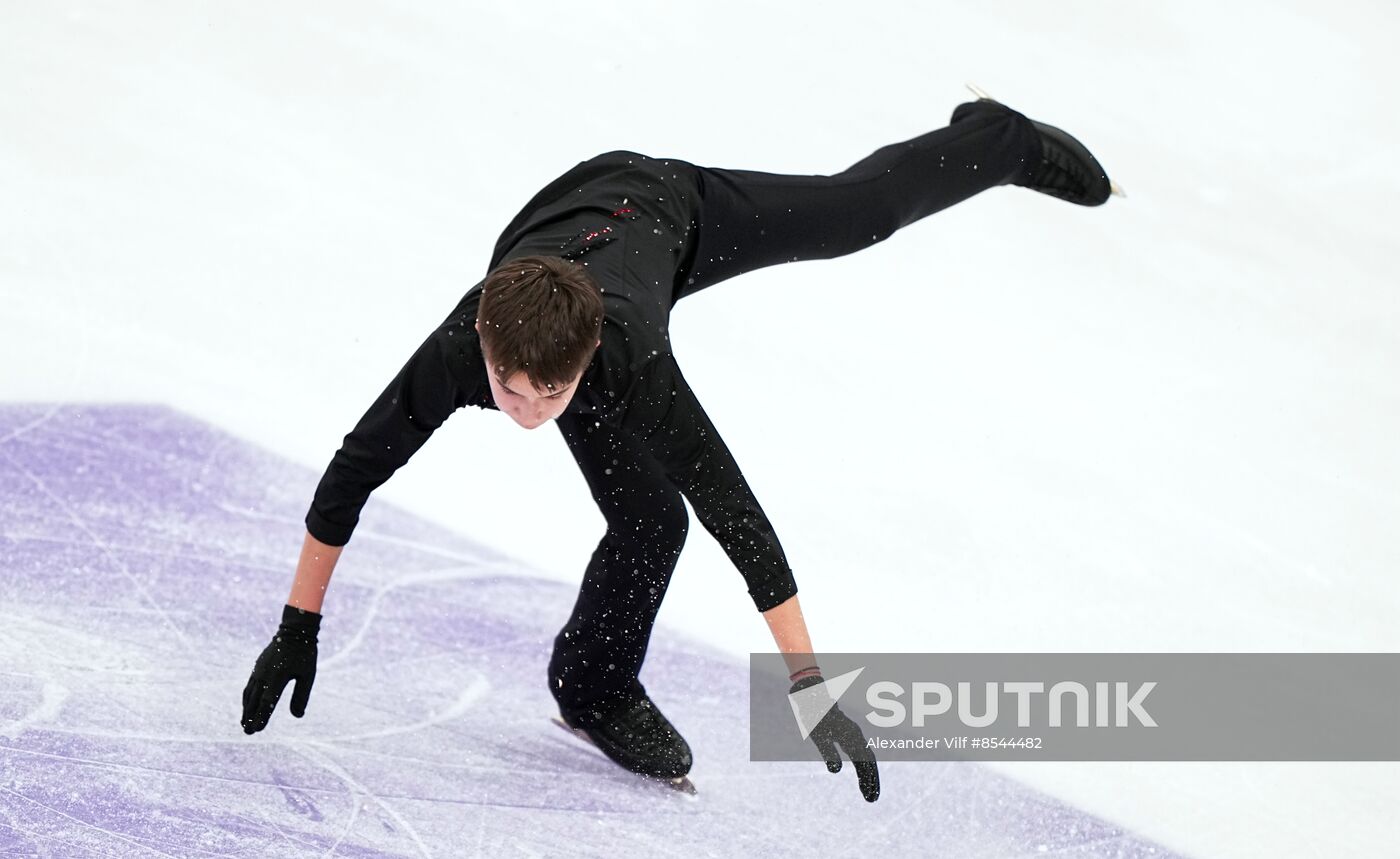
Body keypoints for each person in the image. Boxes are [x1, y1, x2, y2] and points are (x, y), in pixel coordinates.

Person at [240, 87, 1116, 803]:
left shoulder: (632, 365)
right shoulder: (458, 351)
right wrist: (297, 625)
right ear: (482, 339)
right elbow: (356, 471)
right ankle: (594, 687)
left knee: (861, 215)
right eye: (511, 389)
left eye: (555, 393)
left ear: (587, 359)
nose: (531, 412)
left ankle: (997, 138)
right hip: (562, 244)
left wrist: (809, 683)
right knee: (650, 522)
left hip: (671, 210)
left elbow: (738, 512)